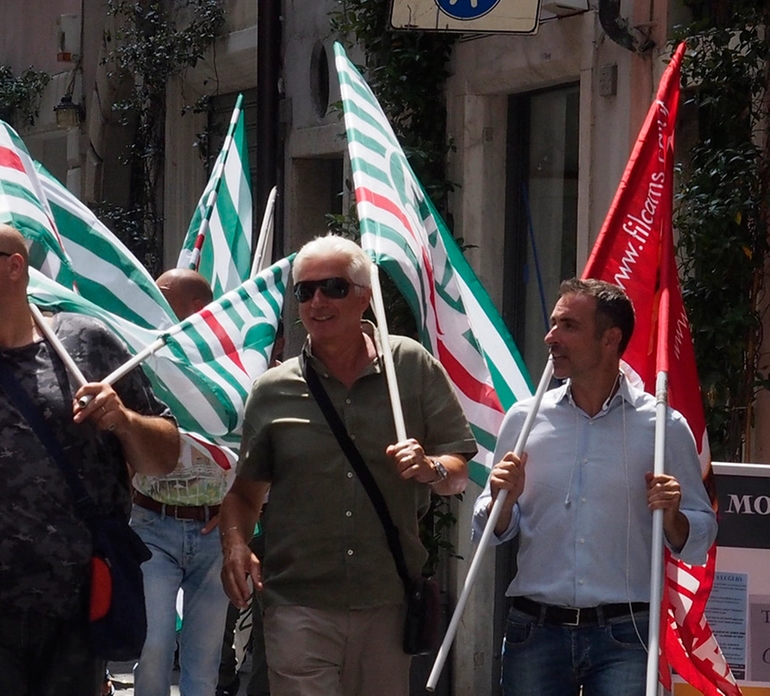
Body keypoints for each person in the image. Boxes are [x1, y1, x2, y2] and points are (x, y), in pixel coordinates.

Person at [0, 221, 179, 696]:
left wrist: (124, 420)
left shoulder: (86, 341)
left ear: (16, 267)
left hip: (73, 602)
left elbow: (164, 456)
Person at [218, 235, 476, 696]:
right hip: (297, 602)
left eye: (333, 287)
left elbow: (457, 474)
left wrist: (431, 466)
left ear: (364, 295)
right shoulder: (272, 390)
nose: (317, 301)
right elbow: (244, 494)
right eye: (305, 291)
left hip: (387, 599)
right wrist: (235, 546)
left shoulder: (410, 367)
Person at [471, 279, 717, 696]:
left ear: (610, 338)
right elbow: (488, 530)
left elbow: (701, 536)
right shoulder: (524, 419)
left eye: (568, 326)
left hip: (625, 634)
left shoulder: (663, 427)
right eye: (552, 324)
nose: (551, 337)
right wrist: (501, 502)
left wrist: (674, 517)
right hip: (535, 631)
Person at [131, 268, 231, 696]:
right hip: (152, 524)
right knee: (153, 645)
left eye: (162, 294)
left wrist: (240, 513)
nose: (152, 302)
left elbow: (257, 441)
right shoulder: (142, 360)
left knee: (203, 658)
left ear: (196, 308)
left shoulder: (233, 367)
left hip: (215, 530)